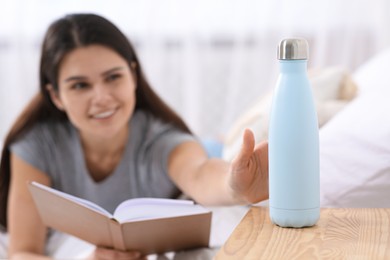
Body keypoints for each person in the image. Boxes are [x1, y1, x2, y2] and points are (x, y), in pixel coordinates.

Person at [0, 13, 268, 260]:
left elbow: (200, 173)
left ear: (133, 77)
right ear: (56, 96)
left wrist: (235, 185)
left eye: (113, 77)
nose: (102, 98)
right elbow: (22, 252)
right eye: (80, 85)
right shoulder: (36, 145)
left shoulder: (161, 139)